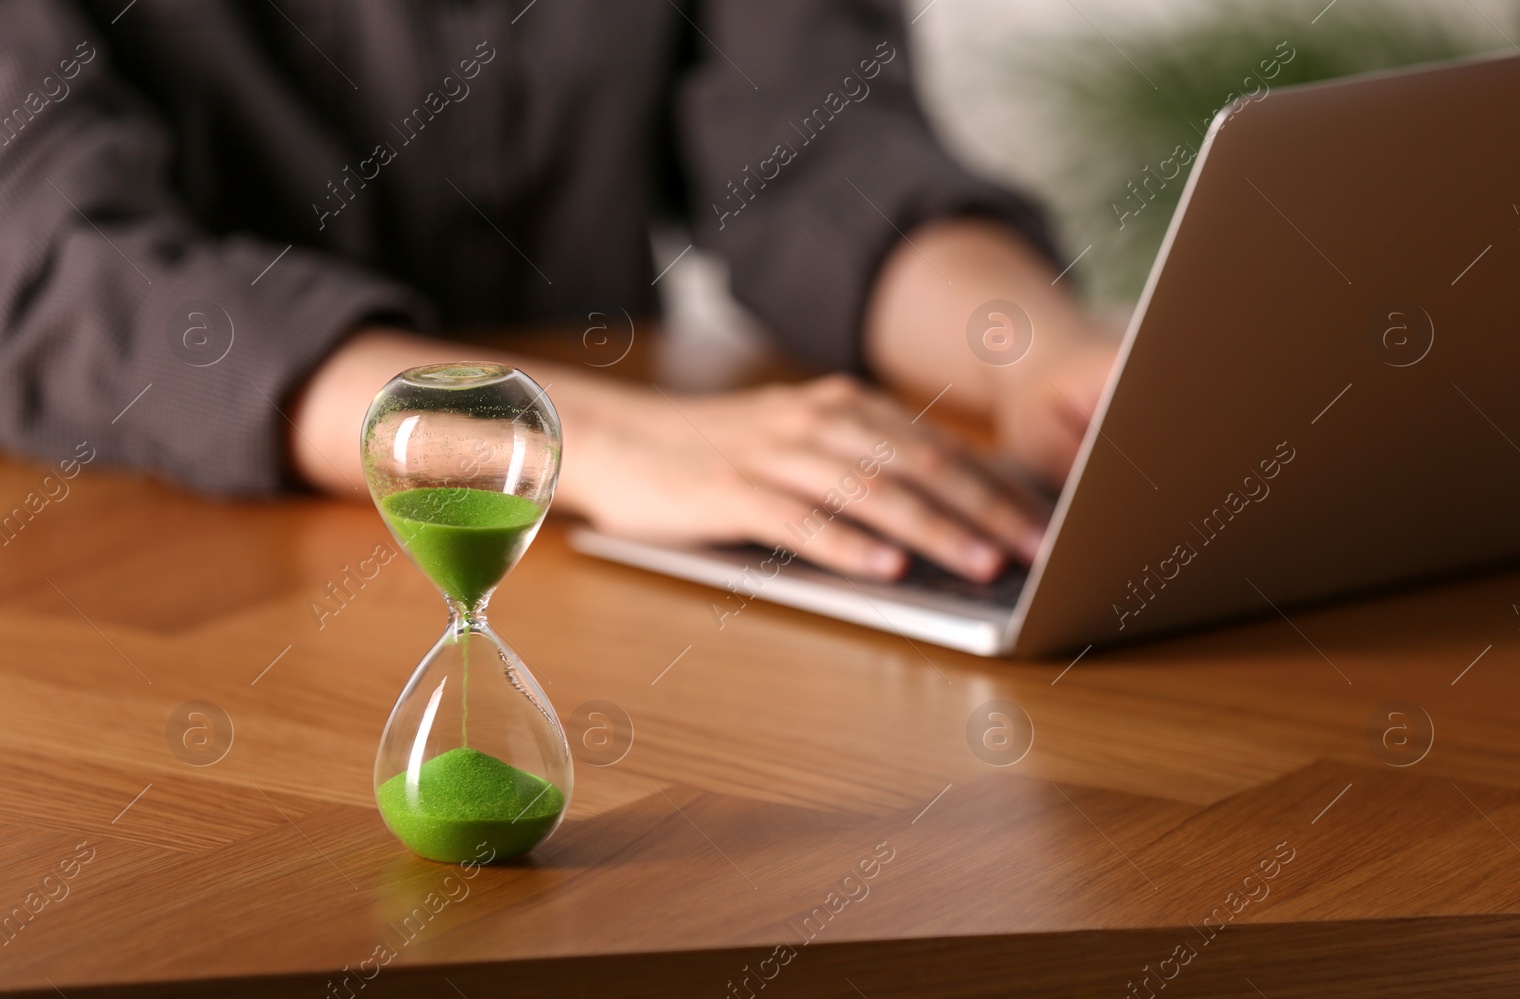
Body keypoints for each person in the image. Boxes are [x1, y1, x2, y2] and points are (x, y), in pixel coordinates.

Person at [0, 0, 1117, 583]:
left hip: (604, 559)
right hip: (154, 559)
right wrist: (559, 437)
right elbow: (61, 265)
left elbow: (820, 145)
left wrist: (1030, 348)